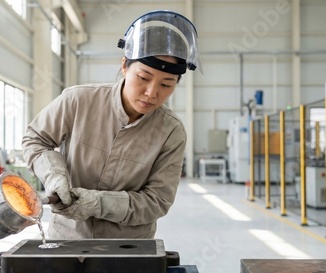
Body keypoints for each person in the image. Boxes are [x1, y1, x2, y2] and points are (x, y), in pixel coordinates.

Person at [22, 10, 202, 239]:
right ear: (125, 65)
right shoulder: (78, 100)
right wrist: (54, 175)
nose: (151, 93)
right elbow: (35, 139)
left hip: (128, 248)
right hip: (67, 237)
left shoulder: (171, 132)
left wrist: (99, 203)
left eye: (166, 85)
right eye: (144, 78)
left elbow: (157, 201)